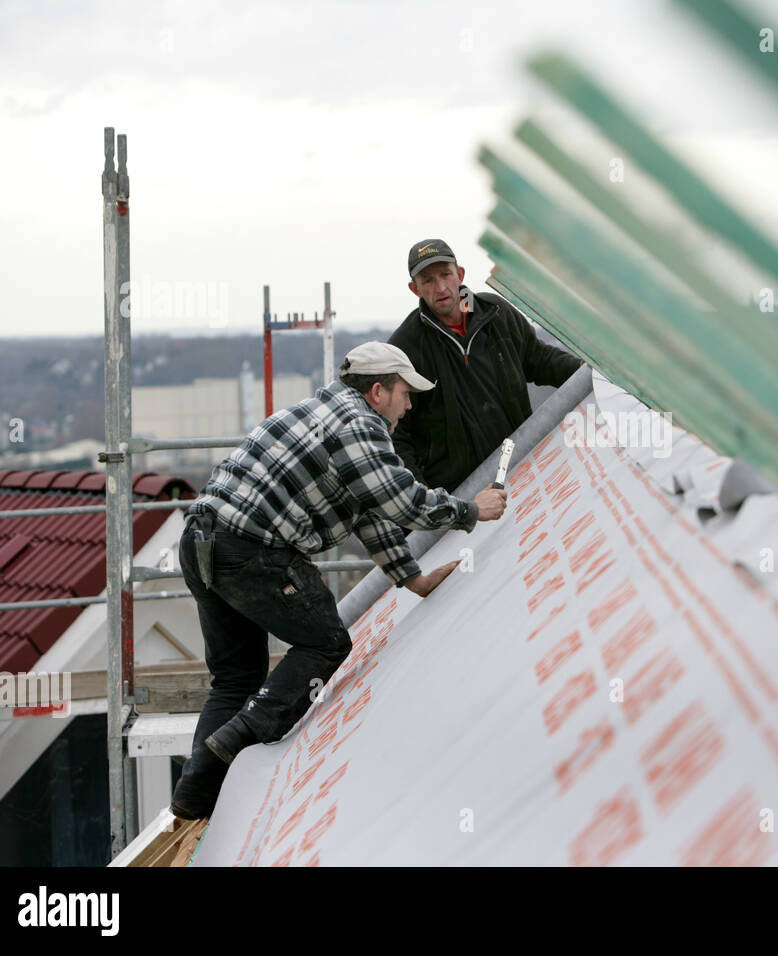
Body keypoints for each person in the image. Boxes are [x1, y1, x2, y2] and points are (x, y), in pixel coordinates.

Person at [169, 341, 507, 820]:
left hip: (201, 541)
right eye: (405, 394)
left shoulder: (322, 411)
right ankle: (242, 736)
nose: (409, 406)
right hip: (251, 550)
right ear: (377, 392)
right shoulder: (359, 425)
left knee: (235, 676)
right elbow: (403, 502)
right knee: (326, 642)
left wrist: (411, 578)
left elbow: (368, 509)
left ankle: (194, 800)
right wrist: (472, 510)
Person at [387, 238, 582, 492]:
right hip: (464, 496)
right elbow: (398, 435)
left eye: (445, 274)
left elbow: (539, 359)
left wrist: (590, 372)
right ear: (416, 289)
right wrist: (428, 503)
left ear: (460, 274)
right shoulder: (405, 348)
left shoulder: (495, 312)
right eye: (428, 280)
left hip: (523, 469)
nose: (440, 287)